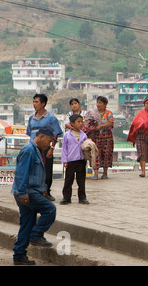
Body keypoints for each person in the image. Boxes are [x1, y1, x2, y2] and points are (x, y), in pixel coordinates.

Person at [11, 125, 57, 265]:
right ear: (41, 136)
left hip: (32, 190)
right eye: (49, 141)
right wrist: (23, 193)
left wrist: (42, 188)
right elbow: (21, 174)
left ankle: (19, 255)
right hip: (26, 191)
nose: (49, 145)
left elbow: (35, 173)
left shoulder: (37, 151)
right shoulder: (29, 150)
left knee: (27, 223)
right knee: (50, 209)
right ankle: (36, 235)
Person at [26, 94, 63, 201]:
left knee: (47, 171)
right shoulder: (31, 118)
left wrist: (52, 148)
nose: (34, 104)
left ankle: (47, 191)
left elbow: (55, 134)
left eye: (36, 102)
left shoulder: (51, 118)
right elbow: (29, 133)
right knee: (33, 169)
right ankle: (33, 191)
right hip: (33, 147)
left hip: (46, 147)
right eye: (33, 102)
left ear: (43, 104)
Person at [60, 114, 89, 205]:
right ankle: (66, 197)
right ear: (72, 123)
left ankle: (82, 197)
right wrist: (65, 160)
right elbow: (64, 149)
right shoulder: (67, 135)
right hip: (70, 161)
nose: (81, 124)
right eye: (78, 122)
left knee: (81, 180)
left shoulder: (83, 135)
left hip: (81, 160)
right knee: (68, 180)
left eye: (82, 122)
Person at [92, 96, 114, 179]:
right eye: (97, 102)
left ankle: (105, 172)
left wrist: (100, 126)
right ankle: (96, 173)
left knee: (106, 153)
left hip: (107, 135)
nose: (98, 104)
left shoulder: (108, 113)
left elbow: (110, 123)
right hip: (96, 135)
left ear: (105, 104)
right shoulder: (93, 113)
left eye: (100, 103)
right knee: (95, 153)